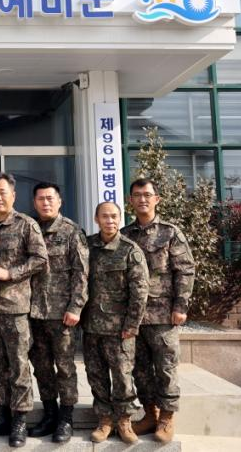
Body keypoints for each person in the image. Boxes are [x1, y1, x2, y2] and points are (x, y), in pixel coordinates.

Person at [0, 172, 49, 448]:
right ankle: (1, 415)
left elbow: (40, 259)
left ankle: (19, 420)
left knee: (18, 366)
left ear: (13, 195)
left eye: (2, 192)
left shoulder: (26, 224)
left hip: (15, 309)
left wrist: (10, 273)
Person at [122, 178, 195, 443]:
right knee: (140, 368)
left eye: (147, 194)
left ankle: (166, 417)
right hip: (134, 316)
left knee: (166, 367)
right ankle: (150, 414)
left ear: (157, 199)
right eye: (137, 195)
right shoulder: (125, 235)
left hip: (163, 314)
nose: (142, 199)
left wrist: (180, 305)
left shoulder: (170, 232)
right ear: (130, 201)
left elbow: (185, 270)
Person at [83, 201, 149, 445]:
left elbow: (140, 292)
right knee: (96, 374)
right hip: (91, 326)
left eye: (114, 216)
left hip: (120, 329)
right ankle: (104, 420)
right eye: (104, 216)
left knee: (122, 376)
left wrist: (132, 325)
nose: (109, 221)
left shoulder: (130, 250)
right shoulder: (87, 246)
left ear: (120, 219)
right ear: (96, 219)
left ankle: (124, 420)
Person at [28, 182, 88, 443]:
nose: (45, 203)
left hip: (62, 314)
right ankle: (49, 413)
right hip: (33, 312)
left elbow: (82, 273)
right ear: (34, 203)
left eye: (50, 198)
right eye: (41, 199)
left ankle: (66, 417)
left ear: (59, 201)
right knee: (41, 367)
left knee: (64, 367)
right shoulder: (29, 229)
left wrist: (76, 307)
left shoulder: (72, 231)